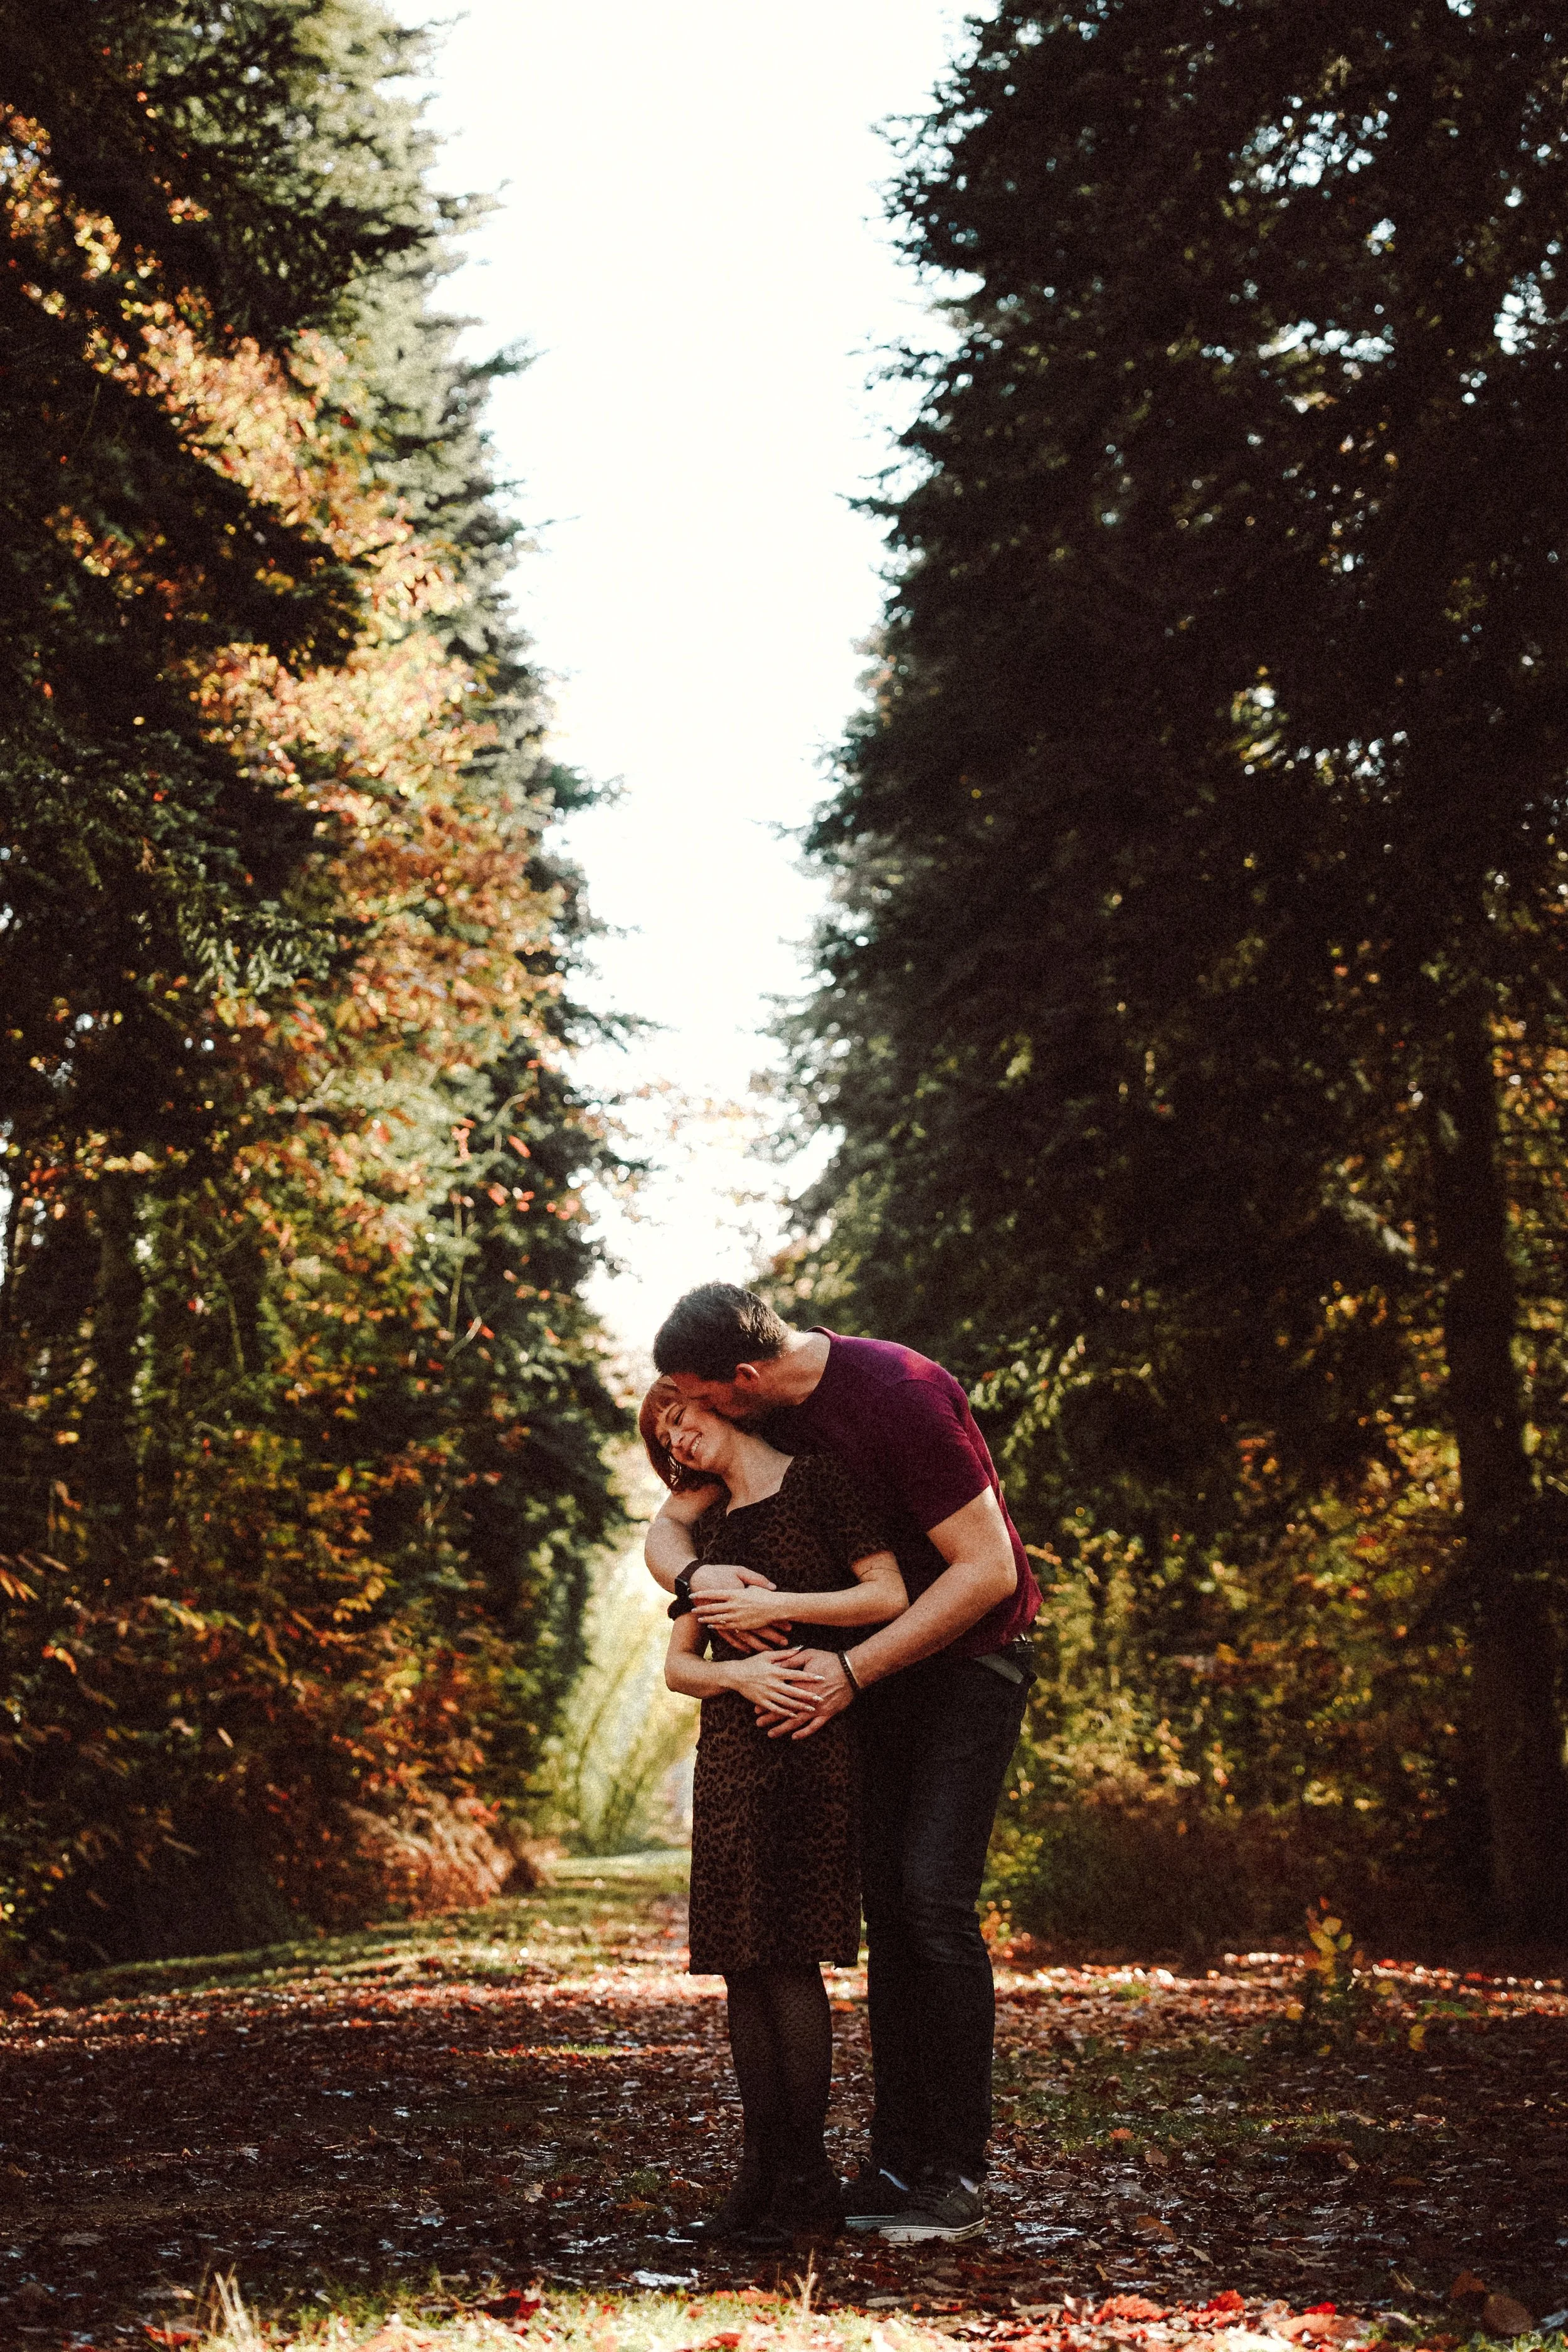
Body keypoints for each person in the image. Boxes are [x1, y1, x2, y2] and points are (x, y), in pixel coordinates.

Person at [644, 1285, 1041, 2247]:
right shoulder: (759, 1411)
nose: (683, 1418)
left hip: (963, 1662)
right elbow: (670, 1526)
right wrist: (700, 1580)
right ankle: (898, 2160)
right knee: (888, 1905)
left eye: (694, 1396)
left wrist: (854, 1667)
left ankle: (950, 2168)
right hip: (867, 1680)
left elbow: (989, 1570)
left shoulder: (898, 1392)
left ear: (740, 1379)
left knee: (930, 1900)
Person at [642, 1375, 909, 2249]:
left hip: (812, 1740)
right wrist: (738, 1670)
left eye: (680, 1414)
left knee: (790, 1956)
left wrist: (778, 1610)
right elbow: (682, 1665)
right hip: (730, 1751)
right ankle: (757, 2176)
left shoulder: (822, 1480)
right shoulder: (707, 1536)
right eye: (664, 1435)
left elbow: (886, 1595)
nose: (677, 1438)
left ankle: (808, 2179)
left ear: (726, 1401)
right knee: (740, 1962)